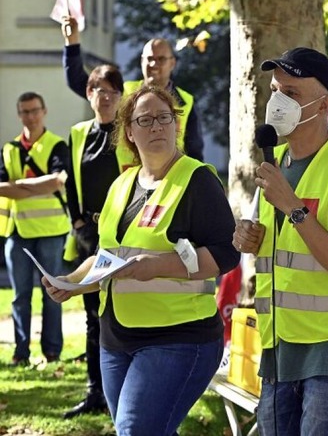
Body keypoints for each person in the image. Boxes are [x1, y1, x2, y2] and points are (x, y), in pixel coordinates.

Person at [43, 85, 239, 435]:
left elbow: (226, 254)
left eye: (164, 118)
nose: (156, 127)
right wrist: (72, 282)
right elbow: (107, 255)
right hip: (115, 341)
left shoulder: (197, 180)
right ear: (129, 132)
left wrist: (156, 266)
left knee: (136, 431)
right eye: (145, 120)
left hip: (179, 339)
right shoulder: (121, 184)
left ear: (176, 125)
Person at [233, 47, 328, 436]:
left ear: (324, 105)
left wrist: (294, 207)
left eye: (292, 93)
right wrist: (252, 239)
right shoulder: (276, 165)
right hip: (279, 350)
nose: (278, 102)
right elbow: (285, 251)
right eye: (275, 90)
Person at [61, 64, 133, 419]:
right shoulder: (77, 133)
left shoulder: (130, 133)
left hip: (123, 236)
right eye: (96, 91)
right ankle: (95, 392)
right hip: (89, 236)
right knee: (92, 317)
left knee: (118, 313)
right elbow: (70, 182)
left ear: (120, 96)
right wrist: (76, 221)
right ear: (88, 95)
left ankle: (120, 391)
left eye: (110, 91)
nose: (103, 98)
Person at [60, 15, 204, 161]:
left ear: (172, 63)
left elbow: (194, 152)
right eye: (150, 59)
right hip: (131, 176)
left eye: (161, 59)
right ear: (142, 61)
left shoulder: (186, 102)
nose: (154, 64)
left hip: (170, 177)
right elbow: (79, 82)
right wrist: (72, 43)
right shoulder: (125, 92)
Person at [0, 92, 70, 366]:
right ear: (19, 114)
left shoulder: (57, 145)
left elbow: (56, 182)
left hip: (51, 230)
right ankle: (21, 353)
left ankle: (52, 352)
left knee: (52, 292)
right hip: (17, 232)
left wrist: (18, 187)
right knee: (20, 297)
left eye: (34, 110)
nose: (30, 116)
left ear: (44, 111)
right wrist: (35, 185)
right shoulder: (9, 148)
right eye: (25, 111)